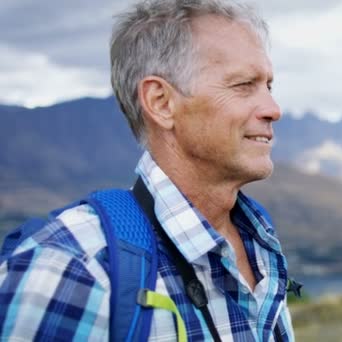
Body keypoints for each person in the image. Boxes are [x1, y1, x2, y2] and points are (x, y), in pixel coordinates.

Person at [0, 0, 295, 340]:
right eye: (244, 85)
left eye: (268, 86)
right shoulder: (72, 268)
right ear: (161, 103)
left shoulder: (260, 247)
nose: (273, 109)